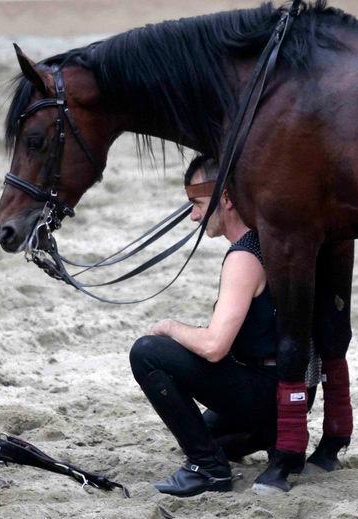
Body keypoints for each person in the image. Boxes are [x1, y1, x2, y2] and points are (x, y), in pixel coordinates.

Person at [130, 156, 278, 497]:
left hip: (265, 389)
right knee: (207, 433)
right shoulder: (269, 240)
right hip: (283, 389)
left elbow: (214, 347)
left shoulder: (244, 257)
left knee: (147, 352)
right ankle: (262, 436)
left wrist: (170, 327)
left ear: (225, 198)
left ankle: (208, 470)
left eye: (197, 204)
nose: (194, 216)